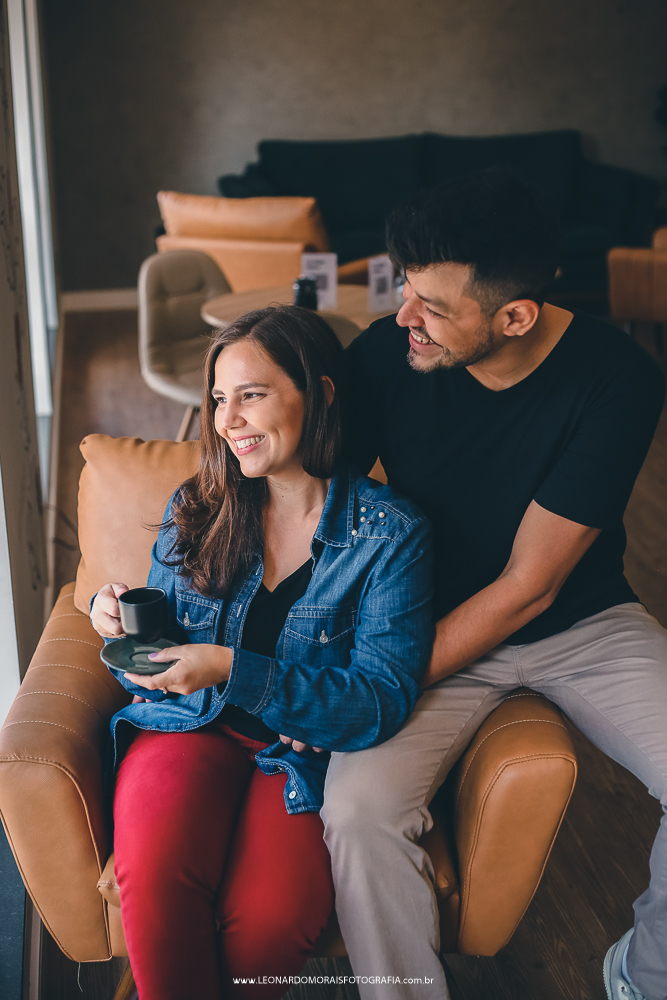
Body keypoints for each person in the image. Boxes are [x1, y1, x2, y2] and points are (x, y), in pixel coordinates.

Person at [319, 170, 667, 1000]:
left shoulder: (616, 378)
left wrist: (376, 683)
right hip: (419, 615)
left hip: (580, 620)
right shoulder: (384, 355)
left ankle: (643, 975)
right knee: (358, 815)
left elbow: (529, 587)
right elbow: (309, 501)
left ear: (514, 315)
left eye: (432, 306)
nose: (404, 315)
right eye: (405, 287)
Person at [89, 305, 433, 1000]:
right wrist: (111, 622)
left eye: (251, 395)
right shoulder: (200, 505)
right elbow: (156, 661)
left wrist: (230, 666)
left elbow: (377, 699)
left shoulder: (390, 536)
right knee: (154, 877)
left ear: (321, 392)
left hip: (304, 757)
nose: (227, 420)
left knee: (272, 919)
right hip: (191, 729)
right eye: (219, 398)